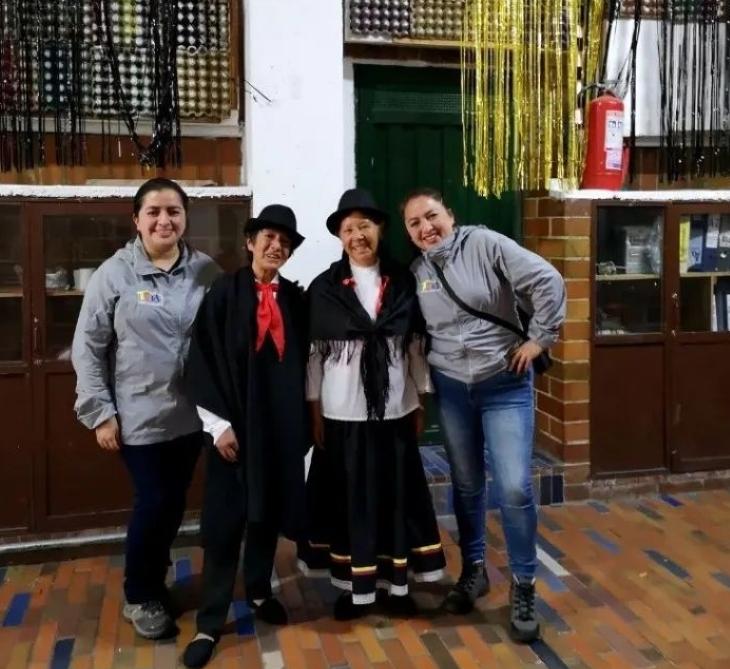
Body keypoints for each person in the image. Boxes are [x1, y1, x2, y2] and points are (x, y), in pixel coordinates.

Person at [401, 187, 566, 642]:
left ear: (449, 214)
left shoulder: (486, 244)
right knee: (467, 483)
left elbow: (548, 280)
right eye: (414, 224)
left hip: (504, 384)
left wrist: (540, 339)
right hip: (454, 391)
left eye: (431, 216)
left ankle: (524, 584)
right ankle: (474, 570)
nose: (425, 228)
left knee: (513, 487)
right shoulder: (418, 272)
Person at [72, 178, 220, 640]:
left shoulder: (205, 271)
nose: (164, 220)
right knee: (155, 503)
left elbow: (219, 339)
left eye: (173, 211)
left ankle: (154, 585)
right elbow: (88, 348)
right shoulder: (114, 275)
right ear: (136, 219)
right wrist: (99, 412)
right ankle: (139, 594)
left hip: (190, 417)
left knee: (171, 505)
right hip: (137, 418)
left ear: (185, 218)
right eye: (153, 211)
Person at [298, 188, 446, 621]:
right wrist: (314, 411)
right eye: (348, 229)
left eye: (365, 225)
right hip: (342, 416)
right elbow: (314, 357)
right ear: (340, 237)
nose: (357, 235)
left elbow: (415, 348)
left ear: (379, 229)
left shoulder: (404, 281)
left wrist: (420, 401)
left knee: (394, 500)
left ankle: (397, 587)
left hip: (395, 413)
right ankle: (352, 588)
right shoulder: (325, 289)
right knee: (349, 503)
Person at [181, 205, 309, 669]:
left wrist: (303, 430)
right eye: (269, 237)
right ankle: (210, 622)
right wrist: (217, 426)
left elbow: (307, 366)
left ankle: (257, 593)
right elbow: (201, 361)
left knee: (266, 517)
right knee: (225, 526)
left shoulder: (295, 301)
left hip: (278, 433)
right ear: (251, 242)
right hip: (232, 433)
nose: (276, 246)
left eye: (285, 242)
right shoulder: (222, 293)